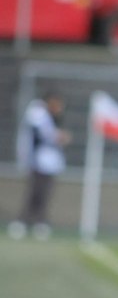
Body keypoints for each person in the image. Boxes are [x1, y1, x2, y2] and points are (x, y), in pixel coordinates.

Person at [10, 88, 68, 240]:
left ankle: (39, 222)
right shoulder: (38, 113)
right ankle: (22, 222)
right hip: (38, 161)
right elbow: (42, 135)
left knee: (45, 194)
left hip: (49, 163)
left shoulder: (51, 117)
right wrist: (59, 137)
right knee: (34, 192)